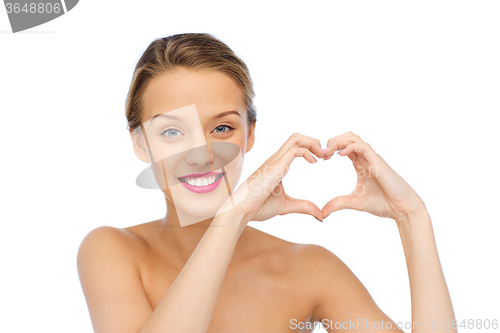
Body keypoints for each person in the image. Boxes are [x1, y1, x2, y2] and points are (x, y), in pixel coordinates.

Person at [77, 33, 457, 333]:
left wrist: (413, 219)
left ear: (250, 135)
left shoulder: (308, 268)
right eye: (173, 131)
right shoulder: (113, 252)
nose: (200, 154)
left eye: (222, 128)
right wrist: (232, 217)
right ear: (140, 142)